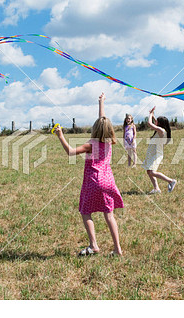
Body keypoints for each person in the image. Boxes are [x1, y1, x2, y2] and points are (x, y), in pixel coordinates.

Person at [54, 93, 124, 256]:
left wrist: (60, 136)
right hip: (108, 181)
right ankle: (117, 249)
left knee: (86, 211)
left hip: (93, 181)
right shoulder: (109, 142)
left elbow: (70, 152)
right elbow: (103, 121)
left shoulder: (91, 144)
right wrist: (101, 102)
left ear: (95, 129)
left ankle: (93, 245)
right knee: (109, 215)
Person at [142, 106, 177, 194]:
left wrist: (150, 114)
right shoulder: (161, 129)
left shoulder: (161, 130)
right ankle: (156, 188)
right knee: (149, 171)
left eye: (157, 121)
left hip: (156, 154)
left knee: (152, 172)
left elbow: (150, 124)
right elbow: (155, 122)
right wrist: (153, 114)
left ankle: (171, 181)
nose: (155, 122)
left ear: (160, 123)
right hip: (152, 153)